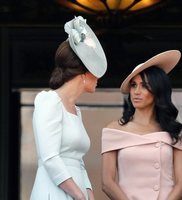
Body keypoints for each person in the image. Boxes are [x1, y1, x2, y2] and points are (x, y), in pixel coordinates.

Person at [30, 16, 107, 200]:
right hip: (54, 189)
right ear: (84, 73)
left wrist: (88, 193)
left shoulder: (75, 110)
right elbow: (49, 157)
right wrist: (78, 195)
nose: (99, 79)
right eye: (95, 71)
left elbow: (78, 160)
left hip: (76, 189)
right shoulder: (48, 101)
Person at [101, 50, 182, 200]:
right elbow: (107, 183)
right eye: (134, 85)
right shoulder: (114, 130)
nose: (136, 92)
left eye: (144, 86)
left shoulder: (174, 131)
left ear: (158, 91)